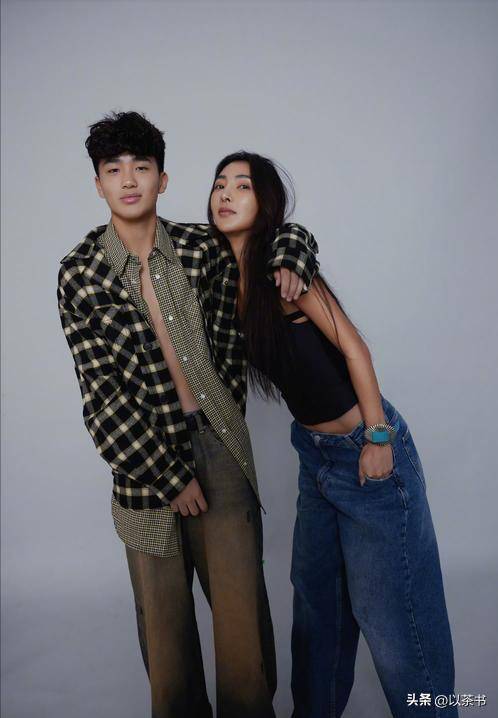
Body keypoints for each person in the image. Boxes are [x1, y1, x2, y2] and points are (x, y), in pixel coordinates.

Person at [57, 112, 318, 718]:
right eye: (114, 170)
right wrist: (170, 477)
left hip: (219, 448)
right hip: (144, 472)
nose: (129, 180)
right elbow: (101, 400)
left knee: (242, 626)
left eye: (141, 167)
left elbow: (277, 236)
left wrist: (293, 255)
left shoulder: (203, 248)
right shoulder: (80, 272)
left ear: (163, 179)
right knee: (166, 638)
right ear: (98, 183)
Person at [207, 151, 458, 718]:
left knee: (395, 625)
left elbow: (354, 348)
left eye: (242, 186)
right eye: (220, 184)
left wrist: (377, 438)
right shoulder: (225, 278)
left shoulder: (284, 270)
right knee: (316, 611)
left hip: (364, 451)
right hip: (314, 457)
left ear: (265, 202)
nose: (225, 194)